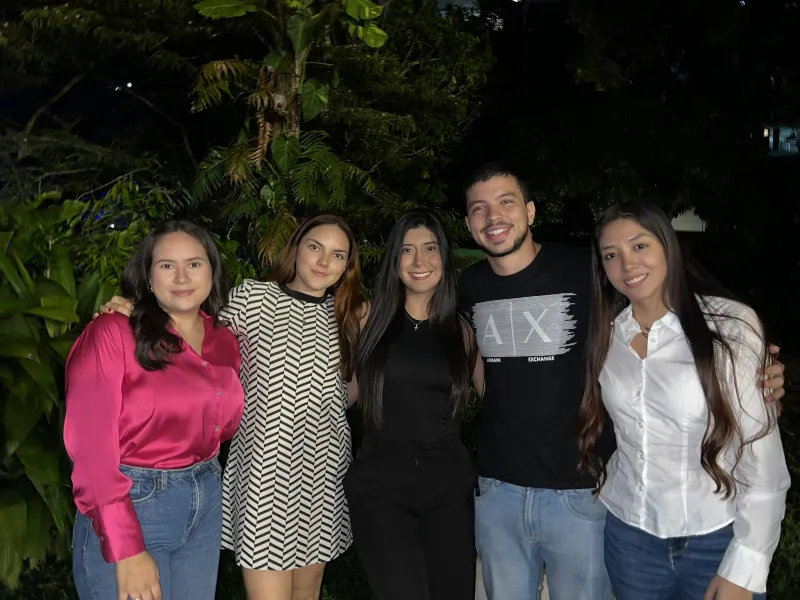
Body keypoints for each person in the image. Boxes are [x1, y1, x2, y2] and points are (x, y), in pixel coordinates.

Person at [456, 163, 788, 600]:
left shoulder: (586, 270)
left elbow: (671, 309)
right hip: (516, 491)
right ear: (468, 223)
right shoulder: (469, 285)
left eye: (505, 201)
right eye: (479, 208)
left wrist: (758, 375)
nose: (493, 216)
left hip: (583, 492)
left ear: (530, 211)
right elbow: (470, 352)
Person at [99, 214, 365, 600]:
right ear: (296, 249)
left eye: (338, 255)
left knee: (307, 594)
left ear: (347, 266)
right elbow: (191, 330)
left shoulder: (347, 315)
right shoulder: (255, 297)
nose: (324, 262)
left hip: (323, 472)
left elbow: (345, 391)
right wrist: (136, 309)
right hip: (264, 473)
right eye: (315, 247)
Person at [576, 202, 790, 600]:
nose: (627, 264)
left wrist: (746, 564)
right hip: (630, 539)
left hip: (717, 535)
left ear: (668, 247)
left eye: (640, 246)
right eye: (611, 255)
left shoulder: (729, 327)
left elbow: (762, 460)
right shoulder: (607, 334)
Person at [66, 221, 245, 600]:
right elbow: (91, 449)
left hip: (205, 497)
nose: (182, 277)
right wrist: (126, 546)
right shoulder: (113, 333)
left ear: (212, 271)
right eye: (167, 265)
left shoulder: (224, 341)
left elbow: (223, 427)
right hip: (135, 500)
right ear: (148, 277)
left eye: (194, 263)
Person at [345, 210, 484, 600]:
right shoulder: (366, 318)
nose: (419, 261)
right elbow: (340, 394)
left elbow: (500, 398)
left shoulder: (462, 330)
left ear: (444, 257)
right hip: (380, 487)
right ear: (394, 260)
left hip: (448, 485)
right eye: (407, 250)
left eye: (430, 248)